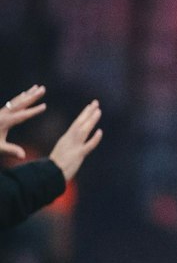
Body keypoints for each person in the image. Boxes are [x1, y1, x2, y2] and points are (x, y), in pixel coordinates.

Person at [0, 86, 102, 230]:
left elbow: (61, 241)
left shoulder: (68, 185)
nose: (50, 130)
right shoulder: (17, 159)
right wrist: (50, 173)